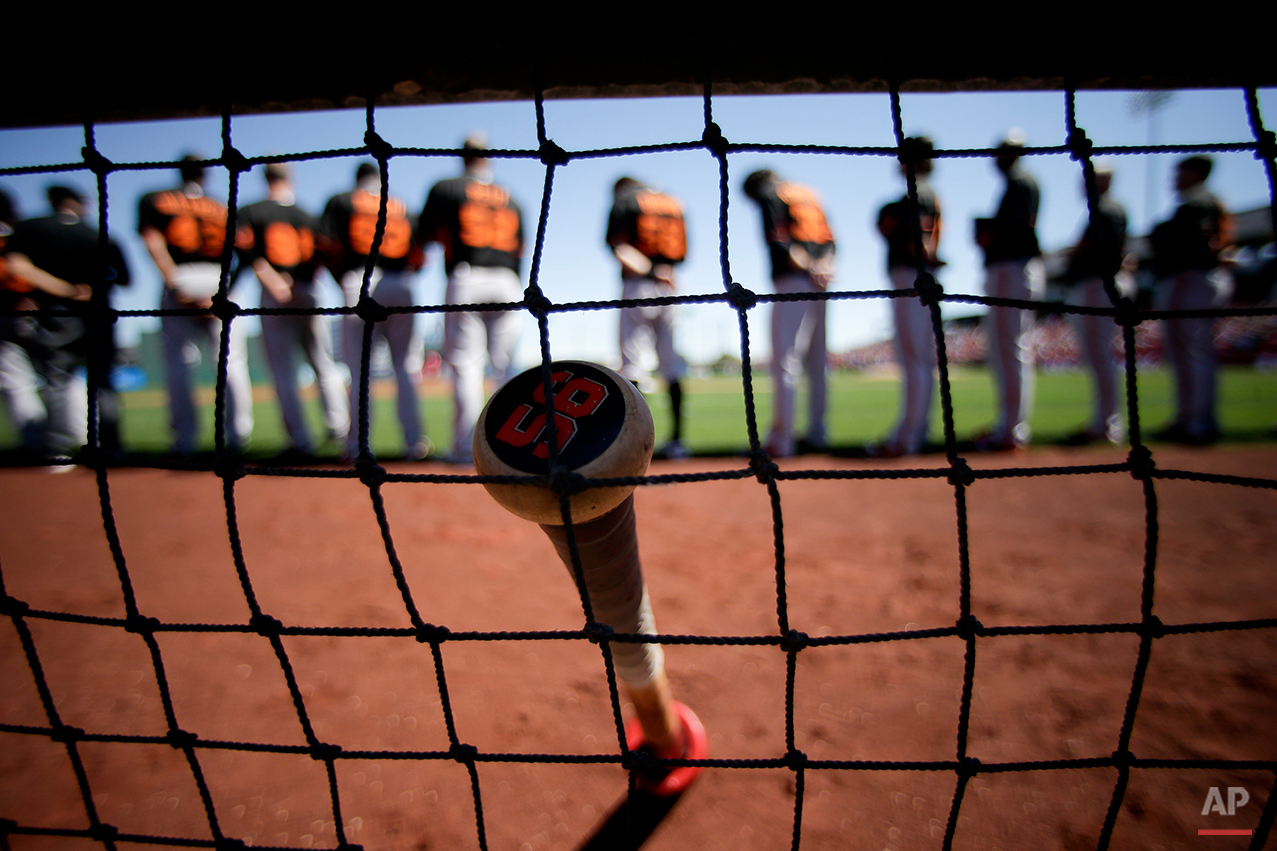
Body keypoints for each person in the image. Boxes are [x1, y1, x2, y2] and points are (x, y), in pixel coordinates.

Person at [418, 135, 524, 464]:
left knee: (466, 365)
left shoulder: (447, 187)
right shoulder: (512, 198)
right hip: (508, 279)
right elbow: (522, 249)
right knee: (506, 367)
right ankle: (514, 446)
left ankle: (466, 448)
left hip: (467, 275)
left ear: (461, 156)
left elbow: (427, 235)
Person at [3, 185, 130, 458]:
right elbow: (125, 279)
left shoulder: (30, 228)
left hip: (56, 313)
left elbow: (17, 266)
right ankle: (112, 448)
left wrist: (64, 289)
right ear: (74, 202)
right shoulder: (98, 233)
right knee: (102, 379)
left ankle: (58, 449)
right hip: (99, 311)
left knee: (57, 376)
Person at [138, 154, 253, 454]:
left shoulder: (155, 199)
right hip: (219, 278)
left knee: (180, 362)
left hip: (182, 275)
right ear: (206, 174)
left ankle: (185, 440)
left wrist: (175, 283)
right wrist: (224, 290)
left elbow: (152, 240)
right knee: (230, 361)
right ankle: (237, 437)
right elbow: (244, 251)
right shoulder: (223, 205)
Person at [235, 163, 348, 456]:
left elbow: (246, 252)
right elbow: (327, 252)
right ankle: (340, 429)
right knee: (323, 363)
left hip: (276, 294)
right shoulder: (308, 215)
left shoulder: (251, 210)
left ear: (265, 177)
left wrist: (274, 281)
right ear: (291, 179)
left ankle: (300, 440)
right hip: (310, 291)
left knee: (283, 371)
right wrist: (307, 281)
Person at [322, 162, 428, 461]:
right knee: (406, 368)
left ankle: (357, 446)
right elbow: (421, 256)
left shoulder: (341, 199)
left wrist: (341, 277)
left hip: (360, 281)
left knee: (360, 371)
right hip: (401, 283)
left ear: (356, 178)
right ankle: (414, 442)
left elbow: (325, 244)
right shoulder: (402, 206)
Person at [742, 169, 835, 458]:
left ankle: (781, 440)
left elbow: (780, 240)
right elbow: (831, 240)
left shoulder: (772, 195)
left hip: (793, 279)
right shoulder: (810, 193)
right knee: (818, 362)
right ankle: (818, 434)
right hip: (824, 279)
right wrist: (822, 267)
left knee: (786, 360)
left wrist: (807, 267)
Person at [1149, 154, 1233, 445]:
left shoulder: (1197, 203)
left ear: (1197, 173)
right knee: (1191, 352)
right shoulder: (1205, 202)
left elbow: (1184, 242)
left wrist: (1162, 235)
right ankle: (1194, 418)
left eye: (1180, 172)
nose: (1175, 178)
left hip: (1192, 277)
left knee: (1190, 352)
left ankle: (1195, 422)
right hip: (1200, 278)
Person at [606, 177, 689, 459]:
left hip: (639, 282)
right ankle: (678, 441)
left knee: (633, 365)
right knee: (671, 365)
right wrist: (663, 272)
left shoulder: (626, 199)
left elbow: (619, 248)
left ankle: (633, 445)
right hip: (673, 284)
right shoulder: (673, 201)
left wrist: (651, 271)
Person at [870, 137, 941, 458]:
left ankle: (908, 436)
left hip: (912, 278)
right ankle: (916, 432)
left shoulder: (919, 192)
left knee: (913, 358)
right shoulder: (921, 193)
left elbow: (924, 246)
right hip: (919, 279)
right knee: (919, 358)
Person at [973, 134, 1043, 451]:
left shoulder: (1021, 182)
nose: (995, 158)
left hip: (1013, 267)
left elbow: (1017, 228)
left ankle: (1012, 430)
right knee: (1006, 348)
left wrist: (989, 234)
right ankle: (1009, 425)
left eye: (1002, 152)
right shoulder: (1017, 183)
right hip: (1012, 267)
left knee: (1010, 347)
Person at [1059, 163, 1129, 446]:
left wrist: (1073, 255)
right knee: (1097, 356)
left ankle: (1108, 425)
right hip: (1097, 285)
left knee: (1100, 356)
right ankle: (1104, 422)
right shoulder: (1103, 211)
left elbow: (1097, 252)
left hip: (1099, 285)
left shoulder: (1108, 210)